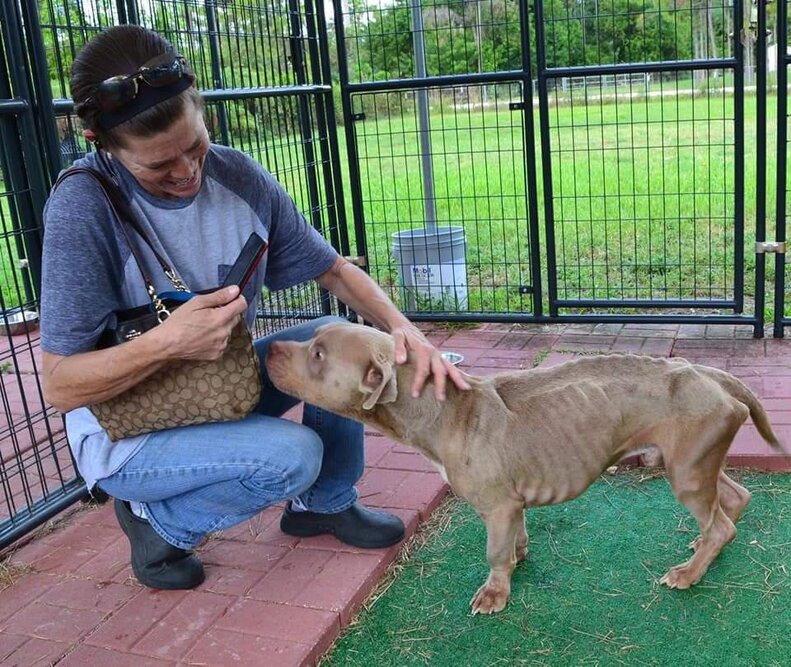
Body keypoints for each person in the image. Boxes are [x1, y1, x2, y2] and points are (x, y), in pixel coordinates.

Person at [40, 25, 469, 590]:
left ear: (200, 107)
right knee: (291, 455)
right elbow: (61, 386)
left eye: (194, 145)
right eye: (158, 166)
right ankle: (158, 523)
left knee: (333, 331)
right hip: (125, 429)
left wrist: (404, 332)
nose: (187, 172)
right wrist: (168, 341)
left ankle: (324, 504)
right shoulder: (82, 209)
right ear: (101, 143)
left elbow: (333, 270)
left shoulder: (237, 174)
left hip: (220, 382)